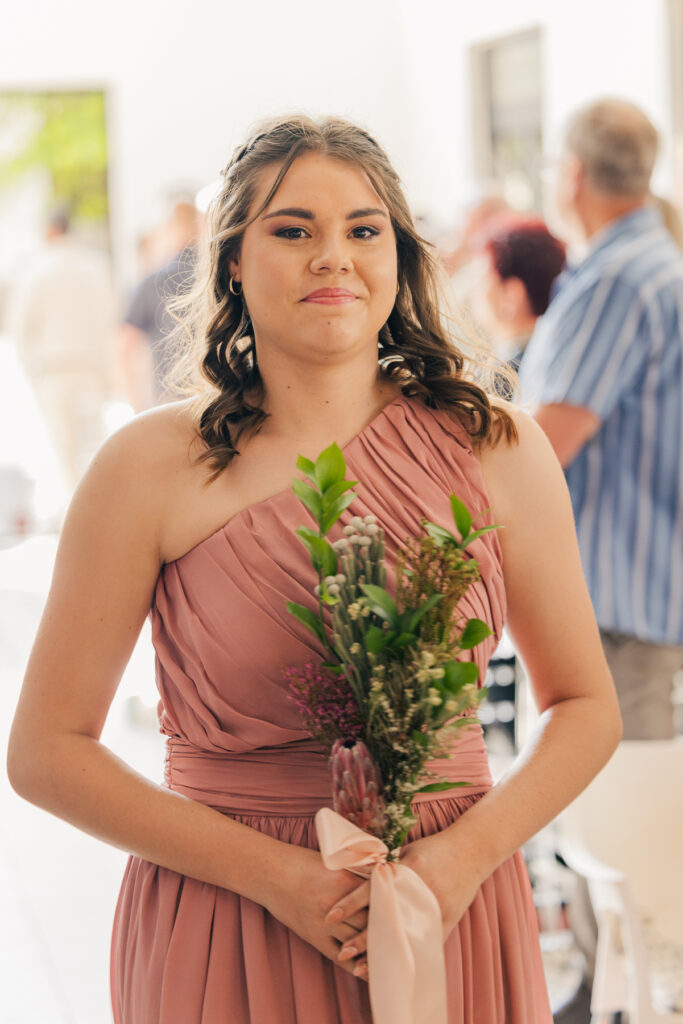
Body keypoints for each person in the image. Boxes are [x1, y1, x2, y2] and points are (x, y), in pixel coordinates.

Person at [7, 115, 622, 1024]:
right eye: (292, 230)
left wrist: (459, 863)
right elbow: (46, 753)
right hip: (228, 914)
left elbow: (584, 706)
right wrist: (278, 879)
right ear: (231, 264)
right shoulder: (146, 467)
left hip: (449, 901)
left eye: (362, 230)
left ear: (400, 260)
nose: (332, 256)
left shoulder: (498, 447)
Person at [520, 98, 683, 743]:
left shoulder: (620, 278)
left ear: (574, 175)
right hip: (640, 590)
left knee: (615, 820)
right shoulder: (653, 264)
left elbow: (546, 441)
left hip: (617, 601)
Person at [5, 203, 119, 493]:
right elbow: (112, 317)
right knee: (96, 445)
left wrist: (33, 370)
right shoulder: (96, 266)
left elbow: (20, 329)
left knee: (65, 450)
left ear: (50, 230)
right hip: (93, 367)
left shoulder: (37, 271)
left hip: (55, 370)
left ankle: (77, 516)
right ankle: (102, 508)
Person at [117, 194, 201, 411]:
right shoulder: (223, 278)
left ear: (169, 229)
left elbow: (125, 347)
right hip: (218, 398)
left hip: (169, 403)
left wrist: (137, 407)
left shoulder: (153, 282)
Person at [471, 215, 566, 376]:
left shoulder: (503, 377)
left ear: (511, 295)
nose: (475, 291)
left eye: (483, 279)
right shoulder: (565, 350)